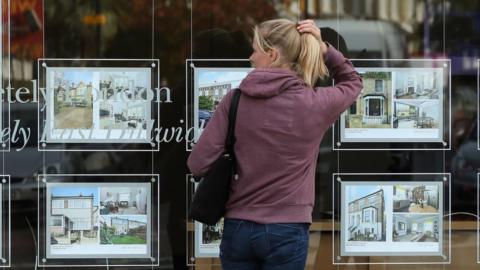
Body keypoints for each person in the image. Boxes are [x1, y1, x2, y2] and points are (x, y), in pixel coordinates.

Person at [187, 19, 362, 269]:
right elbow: (352, 82)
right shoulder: (314, 103)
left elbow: (198, 163)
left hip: (239, 228)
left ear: (272, 54)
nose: (250, 56)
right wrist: (325, 50)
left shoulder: (234, 100)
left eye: (255, 49)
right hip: (288, 230)